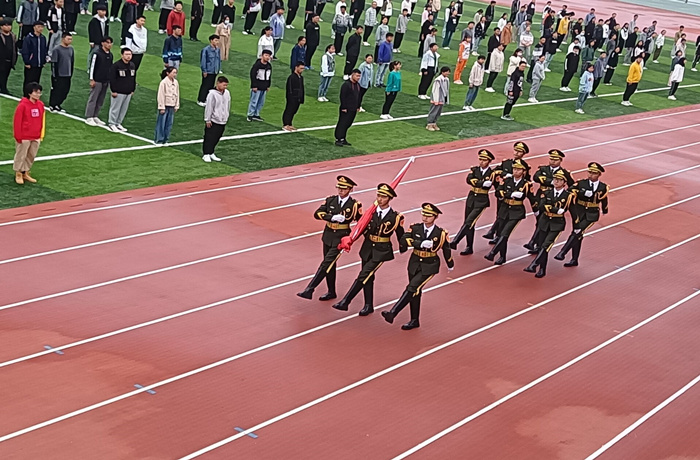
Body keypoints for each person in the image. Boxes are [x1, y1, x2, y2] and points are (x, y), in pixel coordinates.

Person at [332, 183, 405, 314]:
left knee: (364, 274)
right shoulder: (370, 213)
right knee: (368, 277)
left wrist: (405, 246)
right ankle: (368, 305)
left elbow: (401, 236)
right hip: (367, 248)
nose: (380, 199)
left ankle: (346, 301)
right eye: (379, 195)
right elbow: (362, 228)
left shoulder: (396, 217)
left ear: (390, 198)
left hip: (381, 251)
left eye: (383, 197)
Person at [382, 203, 453, 330]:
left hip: (429, 265)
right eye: (424, 215)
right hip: (414, 263)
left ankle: (393, 313)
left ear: (435, 217)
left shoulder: (440, 233)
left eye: (429, 216)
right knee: (415, 292)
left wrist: (450, 264)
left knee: (412, 287)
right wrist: (420, 243)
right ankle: (414, 320)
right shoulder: (415, 228)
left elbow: (446, 249)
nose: (425, 218)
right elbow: (403, 240)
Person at [297, 176, 363, 300]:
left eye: (344, 188)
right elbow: (317, 213)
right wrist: (331, 217)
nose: (341, 190)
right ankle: (331, 292)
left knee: (326, 263)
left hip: (341, 238)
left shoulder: (354, 205)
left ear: (350, 189)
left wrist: (352, 238)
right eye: (339, 188)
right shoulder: (330, 200)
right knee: (330, 265)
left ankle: (310, 289)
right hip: (328, 235)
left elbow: (361, 223)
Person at [554, 162, 608, 267]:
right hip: (579, 211)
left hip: (591, 213)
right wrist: (583, 193)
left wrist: (605, 209)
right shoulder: (581, 183)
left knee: (577, 231)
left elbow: (604, 198)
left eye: (594, 173)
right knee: (578, 235)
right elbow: (570, 190)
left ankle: (563, 252)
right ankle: (574, 259)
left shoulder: (603, 187)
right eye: (590, 172)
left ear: (599, 174)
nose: (591, 175)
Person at [523, 169, 571, 278]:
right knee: (541, 246)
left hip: (556, 224)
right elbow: (541, 206)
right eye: (555, 179)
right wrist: (555, 209)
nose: (556, 181)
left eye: (559, 180)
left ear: (564, 183)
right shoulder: (547, 192)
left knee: (546, 245)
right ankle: (542, 269)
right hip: (544, 222)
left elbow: (570, 209)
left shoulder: (568, 196)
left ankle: (534, 264)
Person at [524, 149, 574, 252]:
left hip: (555, 200)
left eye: (556, 160)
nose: (553, 161)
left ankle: (534, 243)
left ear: (560, 160)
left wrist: (564, 196)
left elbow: (572, 185)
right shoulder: (543, 169)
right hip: (542, 197)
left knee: (543, 221)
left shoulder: (565, 173)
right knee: (541, 220)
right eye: (551, 159)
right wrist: (550, 181)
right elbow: (536, 177)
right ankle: (537, 244)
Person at [484, 159, 530, 265]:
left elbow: (531, 198)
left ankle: (493, 253)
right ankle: (502, 257)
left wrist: (537, 211)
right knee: (501, 233)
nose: (516, 171)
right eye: (514, 169)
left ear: (523, 171)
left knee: (505, 233)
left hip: (516, 212)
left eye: (519, 169)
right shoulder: (506, 180)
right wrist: (510, 195)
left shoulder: (526, 184)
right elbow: (498, 192)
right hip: (504, 209)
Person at [450, 149, 495, 255]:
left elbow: (487, 185)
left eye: (484, 160)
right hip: (471, 198)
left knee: (469, 221)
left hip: (481, 200)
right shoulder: (475, 170)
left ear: (489, 161)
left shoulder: (492, 173)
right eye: (480, 159)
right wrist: (481, 183)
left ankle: (455, 241)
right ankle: (469, 247)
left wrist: (477, 182)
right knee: (469, 223)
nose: (481, 162)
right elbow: (469, 179)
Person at [483, 141, 530, 241]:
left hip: (513, 196)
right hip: (503, 192)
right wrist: (505, 174)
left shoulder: (525, 166)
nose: (516, 153)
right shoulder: (506, 163)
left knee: (505, 217)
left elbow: (526, 181)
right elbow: (495, 171)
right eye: (516, 150)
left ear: (523, 154)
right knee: (500, 214)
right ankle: (495, 233)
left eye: (519, 151)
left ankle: (496, 234)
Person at [12, 82, 45, 185]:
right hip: (24, 136)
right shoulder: (22, 106)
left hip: (35, 135)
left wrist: (40, 133)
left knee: (31, 155)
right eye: (36, 92)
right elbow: (17, 122)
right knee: (21, 155)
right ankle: (18, 173)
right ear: (29, 93)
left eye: (39, 92)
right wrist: (18, 136)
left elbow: (42, 120)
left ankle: (25, 172)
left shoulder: (40, 105)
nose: (38, 94)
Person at [85, 36, 113, 126]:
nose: (109, 45)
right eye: (107, 42)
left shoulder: (110, 55)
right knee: (93, 98)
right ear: (102, 43)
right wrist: (91, 79)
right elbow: (92, 67)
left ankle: (95, 115)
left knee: (100, 99)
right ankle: (89, 116)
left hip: (105, 80)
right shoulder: (97, 53)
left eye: (110, 43)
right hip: (97, 80)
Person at [202, 75, 230, 162]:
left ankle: (211, 152)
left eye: (226, 85)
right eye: (224, 85)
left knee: (217, 137)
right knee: (209, 137)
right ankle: (206, 154)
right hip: (214, 120)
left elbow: (228, 105)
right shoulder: (212, 94)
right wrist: (208, 119)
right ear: (218, 83)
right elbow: (209, 107)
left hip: (223, 120)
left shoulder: (227, 93)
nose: (225, 87)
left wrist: (226, 115)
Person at [108, 47, 136, 132]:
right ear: (122, 55)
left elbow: (133, 78)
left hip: (128, 91)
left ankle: (118, 123)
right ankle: (112, 123)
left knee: (123, 109)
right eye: (126, 54)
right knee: (115, 108)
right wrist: (113, 90)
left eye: (130, 54)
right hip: (118, 91)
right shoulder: (116, 66)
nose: (128, 56)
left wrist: (132, 89)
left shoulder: (132, 65)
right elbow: (112, 79)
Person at [334, 68, 361, 146]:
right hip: (346, 108)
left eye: (359, 76)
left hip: (353, 108)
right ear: (352, 75)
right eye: (357, 76)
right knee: (342, 123)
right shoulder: (346, 85)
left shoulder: (357, 85)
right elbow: (342, 96)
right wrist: (343, 107)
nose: (358, 78)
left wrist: (358, 106)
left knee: (348, 124)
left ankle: (343, 138)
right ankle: (338, 139)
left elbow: (358, 96)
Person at [48, 33, 73, 112]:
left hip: (67, 74)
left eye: (71, 39)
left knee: (65, 91)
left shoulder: (71, 49)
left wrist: (71, 73)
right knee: (56, 90)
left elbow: (72, 62)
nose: (70, 41)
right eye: (68, 39)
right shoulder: (57, 49)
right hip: (59, 74)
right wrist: (54, 76)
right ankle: (53, 105)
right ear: (63, 39)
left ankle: (58, 104)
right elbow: (54, 63)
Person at [154, 66, 179, 144]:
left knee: (169, 124)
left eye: (175, 73)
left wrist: (176, 105)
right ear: (168, 73)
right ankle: (159, 139)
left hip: (172, 105)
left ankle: (166, 139)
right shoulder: (163, 82)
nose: (175, 74)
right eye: (173, 72)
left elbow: (177, 94)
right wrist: (161, 107)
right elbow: (161, 95)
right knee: (161, 123)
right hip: (165, 105)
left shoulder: (176, 82)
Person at [21, 21, 48, 89]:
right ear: (34, 27)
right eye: (39, 27)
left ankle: (34, 93)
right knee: (28, 81)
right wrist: (27, 62)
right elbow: (25, 50)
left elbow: (44, 50)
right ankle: (26, 94)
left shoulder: (43, 38)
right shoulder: (28, 38)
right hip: (31, 64)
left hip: (39, 64)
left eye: (42, 27)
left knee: (36, 81)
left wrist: (43, 61)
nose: (41, 28)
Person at [248, 48, 272, 121]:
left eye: (269, 56)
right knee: (254, 101)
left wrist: (268, 86)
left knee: (261, 102)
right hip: (257, 86)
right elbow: (253, 75)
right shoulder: (257, 65)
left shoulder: (269, 66)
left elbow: (269, 76)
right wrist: (254, 86)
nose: (267, 57)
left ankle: (256, 114)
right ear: (262, 56)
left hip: (264, 86)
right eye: (266, 55)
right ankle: (250, 115)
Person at [197, 34, 220, 106]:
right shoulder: (206, 50)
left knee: (211, 86)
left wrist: (218, 69)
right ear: (211, 41)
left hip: (214, 71)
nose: (217, 42)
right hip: (208, 71)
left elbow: (218, 60)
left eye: (218, 40)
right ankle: (201, 99)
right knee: (205, 85)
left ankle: (207, 99)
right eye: (216, 40)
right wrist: (204, 70)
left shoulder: (217, 50)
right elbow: (203, 61)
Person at [426, 65, 449, 131]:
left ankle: (434, 123)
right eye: (447, 72)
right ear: (443, 72)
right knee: (433, 111)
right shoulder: (438, 80)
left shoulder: (446, 80)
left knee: (438, 112)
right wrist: (436, 100)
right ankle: (429, 124)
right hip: (437, 98)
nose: (448, 73)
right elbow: (435, 90)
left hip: (442, 98)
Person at [283, 61, 305, 130]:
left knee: (294, 111)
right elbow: (289, 88)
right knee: (289, 110)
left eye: (303, 69)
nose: (302, 70)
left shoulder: (301, 77)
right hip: (292, 98)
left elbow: (302, 88)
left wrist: (302, 98)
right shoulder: (291, 77)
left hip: (298, 98)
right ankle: (286, 124)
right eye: (301, 68)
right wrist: (290, 98)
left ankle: (290, 124)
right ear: (296, 67)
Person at [0, 19, 18, 95]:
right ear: (1, 27)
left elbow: (15, 48)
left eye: (9, 25)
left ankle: (3, 88)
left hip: (9, 60)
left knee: (6, 75)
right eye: (6, 25)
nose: (8, 27)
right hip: (1, 60)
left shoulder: (12, 36)